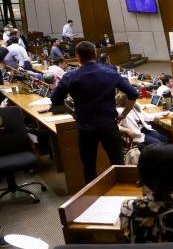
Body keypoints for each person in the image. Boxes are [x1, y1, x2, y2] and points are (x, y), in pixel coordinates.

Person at [50, 41, 138, 183]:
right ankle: (122, 195)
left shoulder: (69, 76)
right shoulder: (110, 72)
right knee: (117, 162)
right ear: (95, 54)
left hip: (85, 127)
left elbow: (55, 100)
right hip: (108, 125)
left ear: (77, 56)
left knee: (89, 166)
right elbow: (133, 94)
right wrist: (124, 114)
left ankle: (93, 197)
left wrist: (72, 112)